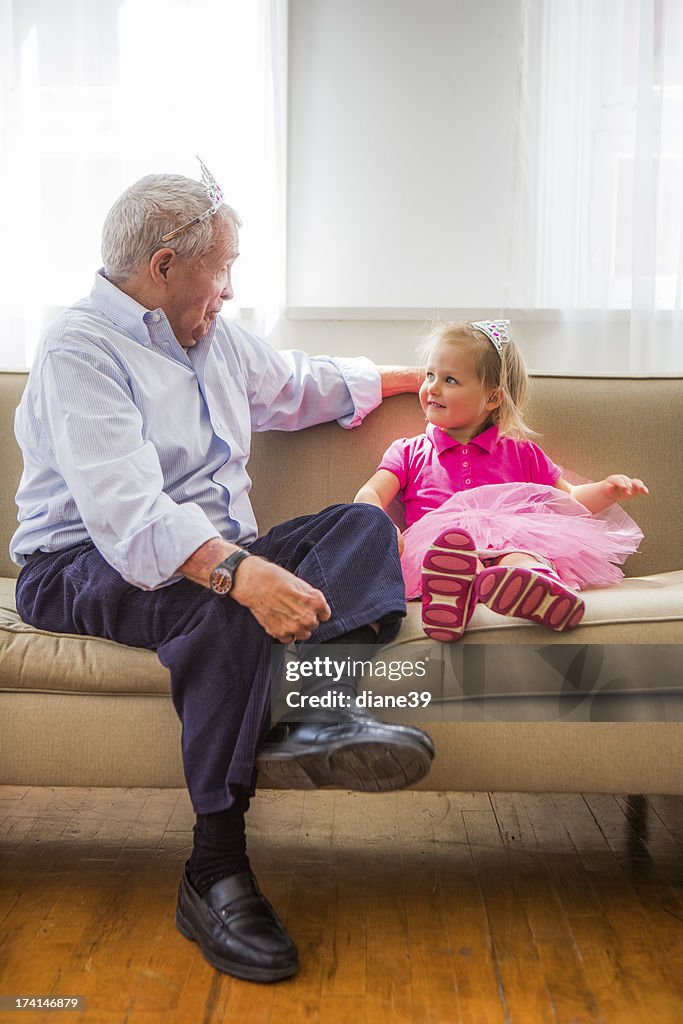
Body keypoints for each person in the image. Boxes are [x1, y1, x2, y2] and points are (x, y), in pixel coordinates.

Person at [10, 161, 435, 984]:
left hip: (205, 552)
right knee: (224, 602)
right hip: (78, 562)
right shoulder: (79, 349)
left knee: (358, 528)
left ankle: (317, 714)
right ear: (164, 266)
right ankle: (212, 870)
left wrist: (425, 380)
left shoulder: (213, 338)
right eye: (224, 269)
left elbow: (301, 385)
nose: (230, 291)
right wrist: (240, 575)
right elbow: (129, 519)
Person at [354, 319, 648, 643]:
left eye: (449, 379)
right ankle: (454, 595)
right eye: (430, 375)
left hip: (511, 538)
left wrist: (608, 490)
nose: (432, 388)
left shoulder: (520, 452)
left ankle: (530, 586)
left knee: (522, 556)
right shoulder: (409, 451)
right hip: (441, 542)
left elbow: (570, 499)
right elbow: (371, 492)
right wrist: (375, 521)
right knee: (447, 557)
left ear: (492, 398)